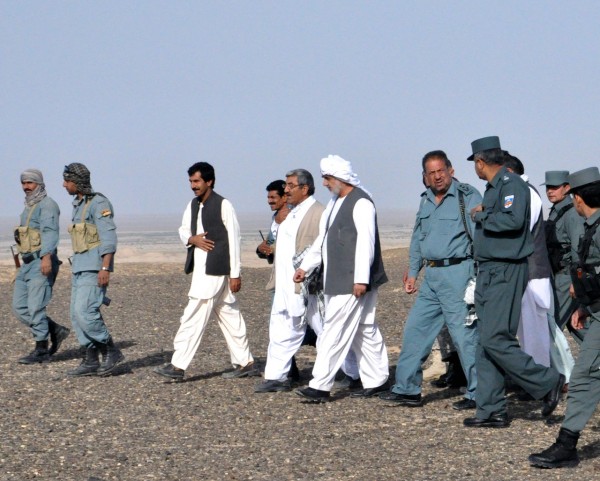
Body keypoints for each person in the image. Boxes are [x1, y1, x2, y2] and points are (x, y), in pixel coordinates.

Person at [463, 136, 563, 428]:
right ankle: (491, 409)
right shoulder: (494, 188)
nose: (476, 169)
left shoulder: (512, 186)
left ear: (481, 162)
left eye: (476, 164)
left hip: (505, 271)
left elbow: (512, 221)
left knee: (497, 338)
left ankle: (547, 382)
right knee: (486, 342)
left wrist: (482, 216)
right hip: (489, 270)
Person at [379, 151, 480, 409]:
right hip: (432, 277)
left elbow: (482, 238)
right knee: (416, 330)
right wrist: (413, 272)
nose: (437, 176)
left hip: (459, 274)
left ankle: (480, 394)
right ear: (425, 177)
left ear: (451, 170)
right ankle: (407, 389)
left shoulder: (467, 197)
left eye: (441, 170)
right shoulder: (425, 201)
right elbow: (418, 238)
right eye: (431, 173)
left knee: (465, 337)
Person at [294, 155, 389, 402]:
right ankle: (377, 380)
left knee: (333, 330)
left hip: (352, 282)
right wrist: (306, 267)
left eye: (327, 178)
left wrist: (360, 279)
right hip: (337, 278)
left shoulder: (361, 203)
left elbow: (365, 245)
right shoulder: (335, 203)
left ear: (339, 178)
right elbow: (322, 240)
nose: (324, 183)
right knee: (364, 330)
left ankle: (320, 385)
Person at [154, 162, 257, 381]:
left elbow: (234, 239)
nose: (193, 186)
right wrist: (192, 239)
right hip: (202, 270)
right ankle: (245, 361)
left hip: (215, 272)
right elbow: (183, 230)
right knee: (229, 316)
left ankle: (177, 365)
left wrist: (236, 273)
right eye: (191, 181)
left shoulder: (224, 205)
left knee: (193, 315)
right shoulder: (192, 205)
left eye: (197, 181)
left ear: (209, 181)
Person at [529, 167, 600, 469]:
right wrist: (584, 305)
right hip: (594, 306)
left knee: (584, 375)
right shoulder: (588, 223)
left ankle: (567, 445)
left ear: (578, 196)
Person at [254, 169, 325, 393]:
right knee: (281, 331)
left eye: (291, 185)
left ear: (304, 189)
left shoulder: (319, 212)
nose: (286, 189)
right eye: (286, 185)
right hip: (284, 287)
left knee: (327, 331)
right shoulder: (289, 214)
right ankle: (276, 377)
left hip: (309, 287)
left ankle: (350, 374)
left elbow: (319, 249)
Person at [63, 163, 123, 376]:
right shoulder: (78, 205)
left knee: (85, 312)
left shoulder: (99, 203)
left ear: (77, 182)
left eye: (67, 180)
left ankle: (110, 350)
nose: (64, 185)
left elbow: (108, 238)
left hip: (95, 268)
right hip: (79, 267)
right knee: (75, 315)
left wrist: (105, 267)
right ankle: (90, 359)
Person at [12, 169, 70, 364]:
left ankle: (41, 350)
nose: (26, 187)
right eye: (24, 183)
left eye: (30, 183)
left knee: (36, 307)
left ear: (39, 184)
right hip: (27, 263)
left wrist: (46, 258)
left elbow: (50, 232)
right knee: (20, 307)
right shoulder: (28, 207)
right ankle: (55, 330)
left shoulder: (47, 205)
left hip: (41, 261)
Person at [544, 170, 586, 343]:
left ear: (567, 187)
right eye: (548, 187)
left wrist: (577, 280)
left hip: (567, 276)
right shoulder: (555, 211)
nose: (550, 191)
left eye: (554, 187)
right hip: (559, 275)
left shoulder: (571, 214)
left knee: (551, 327)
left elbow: (578, 249)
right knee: (576, 325)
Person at [255, 179, 289, 269]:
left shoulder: (293, 216)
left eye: (273, 197)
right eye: (268, 197)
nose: (269, 201)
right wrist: (261, 249)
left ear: (284, 197)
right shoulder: (276, 217)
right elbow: (270, 242)